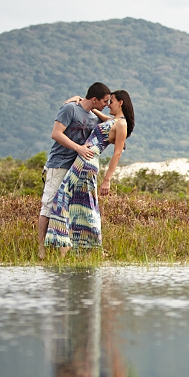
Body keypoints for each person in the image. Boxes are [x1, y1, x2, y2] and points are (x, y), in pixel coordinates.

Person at [43, 89, 135, 256]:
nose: (108, 105)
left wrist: (107, 180)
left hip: (87, 161)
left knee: (67, 197)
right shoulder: (114, 120)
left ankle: (72, 244)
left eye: (111, 102)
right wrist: (80, 99)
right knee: (79, 202)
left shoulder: (122, 124)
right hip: (83, 159)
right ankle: (78, 245)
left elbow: (117, 154)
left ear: (120, 102)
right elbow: (97, 111)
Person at [38, 82, 111, 260]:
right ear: (95, 99)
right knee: (49, 205)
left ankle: (63, 248)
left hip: (76, 168)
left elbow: (115, 123)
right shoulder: (70, 108)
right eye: (104, 101)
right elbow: (56, 133)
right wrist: (78, 148)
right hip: (59, 164)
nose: (107, 105)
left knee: (69, 207)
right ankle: (41, 250)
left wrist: (95, 110)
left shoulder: (94, 116)